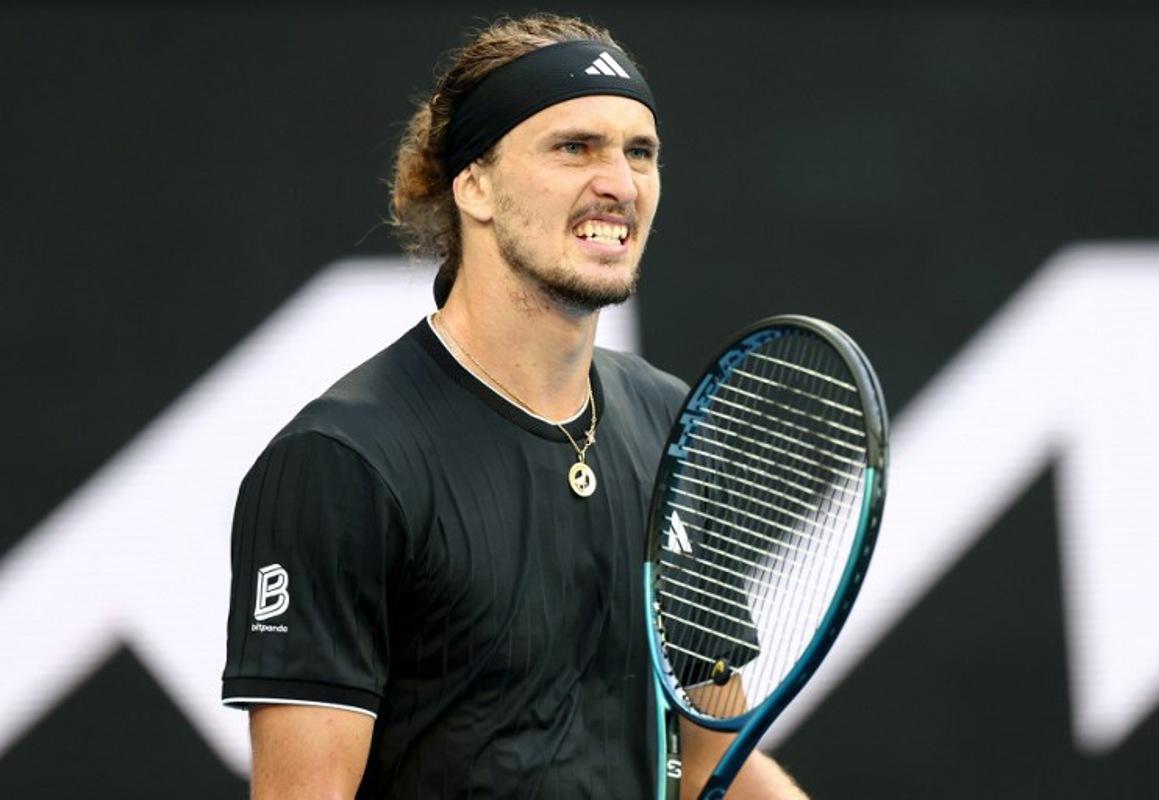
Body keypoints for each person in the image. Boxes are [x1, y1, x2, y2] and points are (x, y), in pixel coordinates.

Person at [221, 13, 807, 799]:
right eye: (575, 148)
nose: (621, 184)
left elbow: (714, 764)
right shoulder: (341, 464)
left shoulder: (675, 426)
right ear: (475, 184)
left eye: (641, 152)